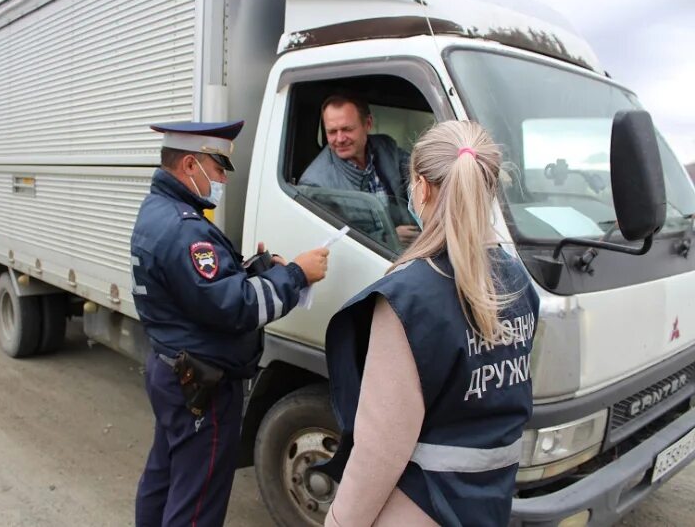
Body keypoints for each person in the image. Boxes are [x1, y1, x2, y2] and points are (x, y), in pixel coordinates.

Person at [320, 121, 540, 526]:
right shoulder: (518, 282)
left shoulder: (408, 298)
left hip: (420, 508)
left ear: (420, 188)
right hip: (489, 504)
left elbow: (379, 449)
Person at [130, 120, 329, 527]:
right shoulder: (185, 229)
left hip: (172, 368)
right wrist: (296, 275)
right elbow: (234, 307)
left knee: (166, 473)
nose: (221, 179)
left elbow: (196, 290)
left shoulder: (161, 212)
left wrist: (250, 270)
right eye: (218, 168)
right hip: (201, 382)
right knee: (197, 497)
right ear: (190, 164)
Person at [299, 94, 421, 246]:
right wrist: (389, 238)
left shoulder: (386, 147)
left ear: (368, 124)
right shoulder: (315, 184)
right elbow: (337, 242)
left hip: (412, 247)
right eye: (331, 132)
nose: (340, 139)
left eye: (347, 129)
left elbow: (421, 173)